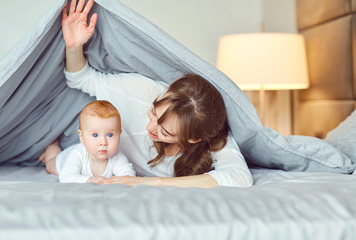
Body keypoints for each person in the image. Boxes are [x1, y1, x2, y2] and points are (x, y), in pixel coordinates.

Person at [40, 0, 253, 188]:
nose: (150, 127)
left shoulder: (212, 141)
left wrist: (153, 182)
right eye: (153, 112)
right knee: (55, 164)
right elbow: (82, 79)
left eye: (166, 132)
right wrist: (74, 46)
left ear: (193, 138)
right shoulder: (142, 90)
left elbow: (240, 177)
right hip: (90, 158)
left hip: (123, 168)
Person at [40, 100, 136, 183]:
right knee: (50, 164)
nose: (103, 142)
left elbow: (128, 174)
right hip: (64, 158)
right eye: (95, 135)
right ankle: (52, 145)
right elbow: (66, 177)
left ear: (119, 134)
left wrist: (124, 179)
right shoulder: (77, 154)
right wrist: (90, 180)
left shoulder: (117, 156)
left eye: (110, 135)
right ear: (81, 137)